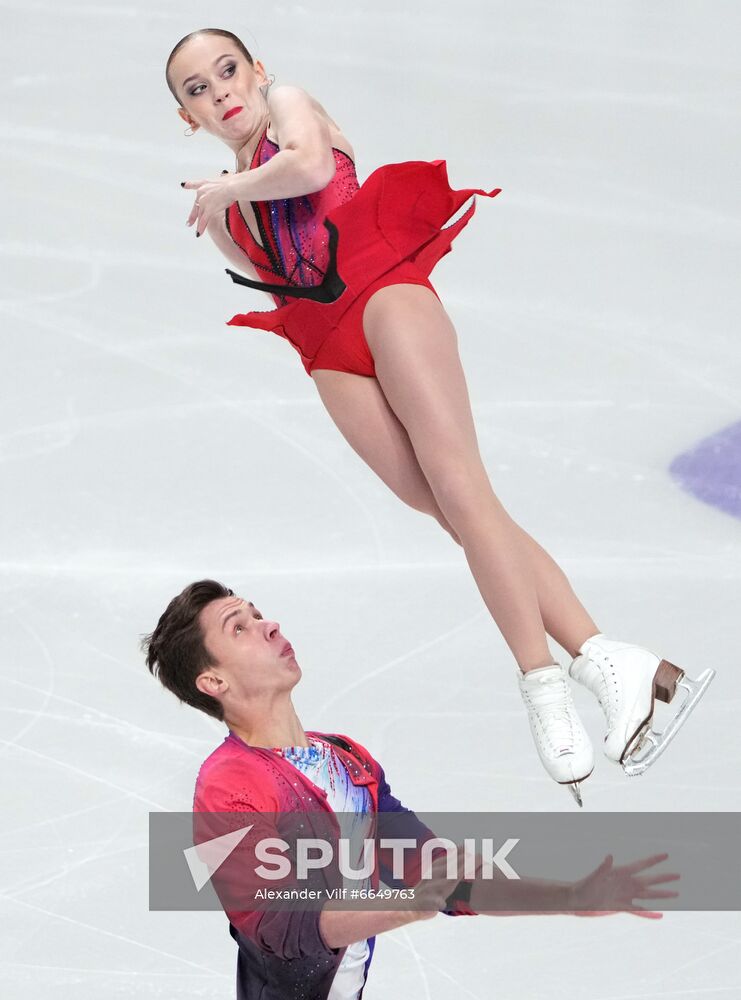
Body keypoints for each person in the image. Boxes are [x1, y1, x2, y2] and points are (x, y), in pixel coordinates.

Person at [163, 29, 713, 803]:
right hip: (326, 345)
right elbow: (283, 282)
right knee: (456, 512)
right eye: (196, 89)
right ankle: (612, 662)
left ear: (257, 71)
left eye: (227, 71)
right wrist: (226, 202)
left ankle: (543, 684)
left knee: (461, 487)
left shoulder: (287, 108)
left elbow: (312, 167)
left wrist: (225, 189)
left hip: (383, 292)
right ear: (187, 116)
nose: (220, 92)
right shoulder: (223, 213)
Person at [143, 580, 679, 1000]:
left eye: (257, 612)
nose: (268, 623)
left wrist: (569, 896)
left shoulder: (347, 759)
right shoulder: (225, 786)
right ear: (212, 682)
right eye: (239, 628)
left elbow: (436, 872)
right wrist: (408, 905)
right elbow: (280, 932)